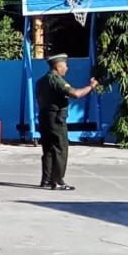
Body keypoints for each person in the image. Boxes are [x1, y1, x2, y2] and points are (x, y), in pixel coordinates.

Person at [35, 54, 92, 191]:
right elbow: (76, 94)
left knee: (48, 149)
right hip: (56, 119)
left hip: (44, 117)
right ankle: (58, 181)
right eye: (65, 65)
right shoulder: (56, 80)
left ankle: (47, 179)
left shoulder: (41, 81)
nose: (66, 68)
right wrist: (91, 86)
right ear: (57, 66)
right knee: (60, 149)